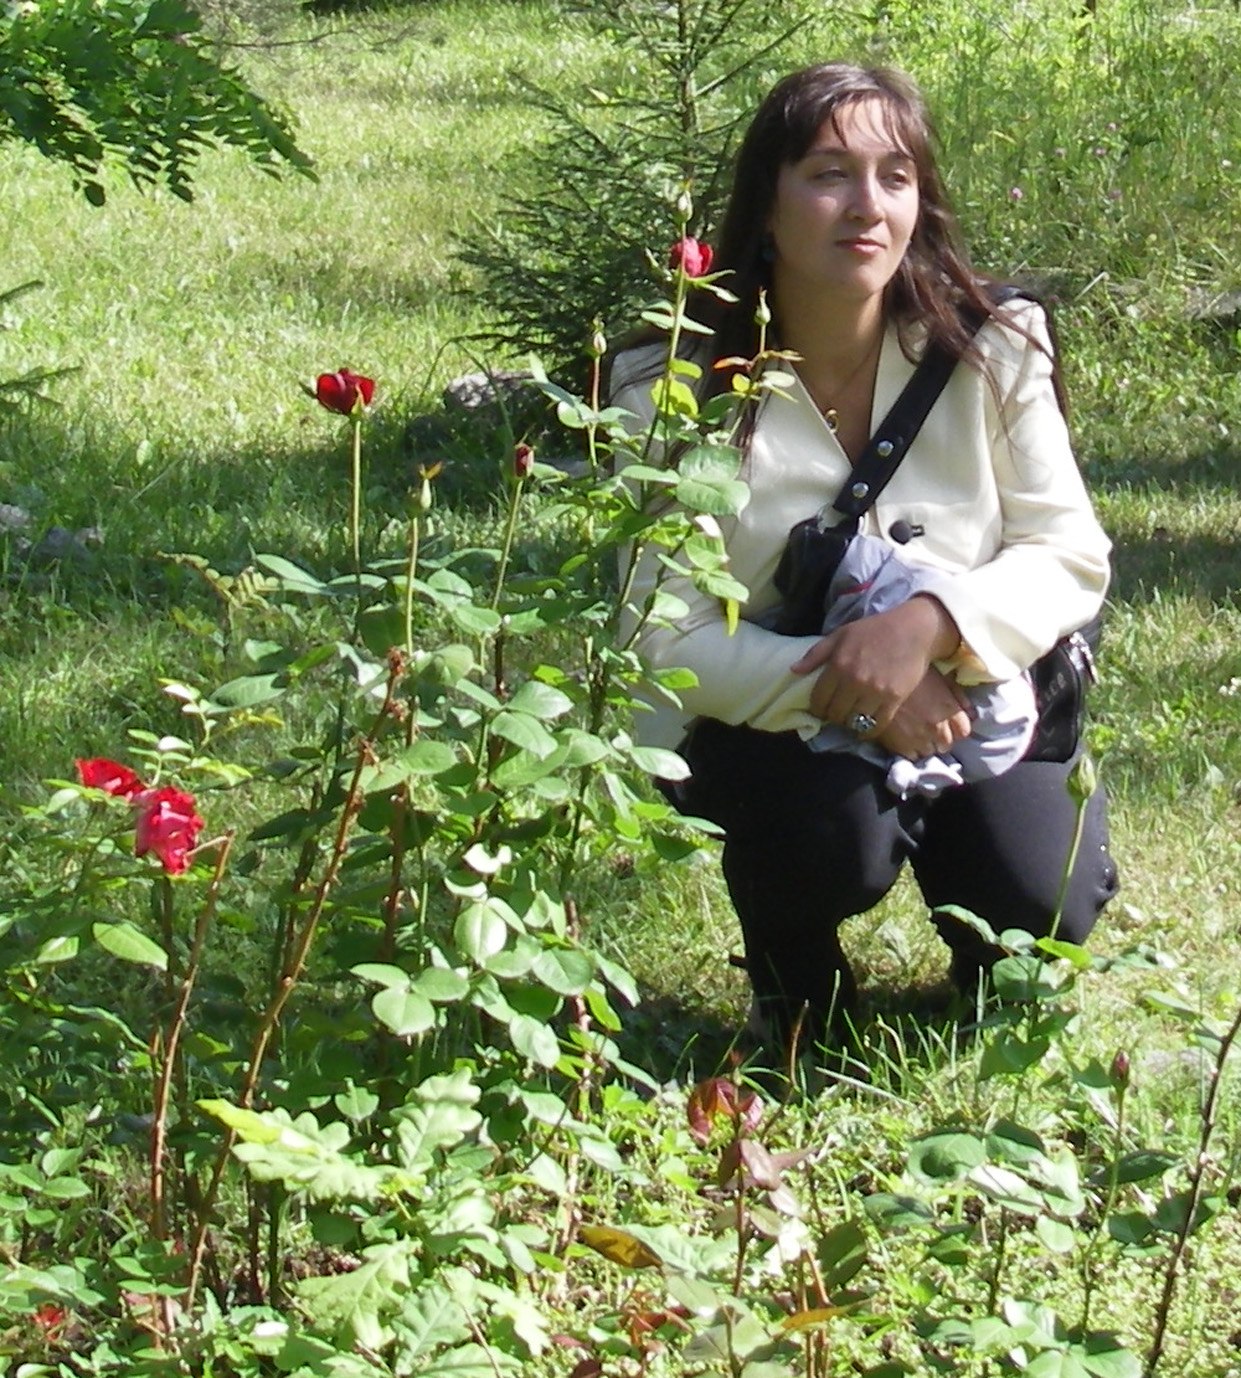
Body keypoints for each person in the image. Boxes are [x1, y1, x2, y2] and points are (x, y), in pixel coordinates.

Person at [609, 62, 1120, 1058]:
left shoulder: (992, 344)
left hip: (973, 690)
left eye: (894, 176)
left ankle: (989, 964)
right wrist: (858, 688)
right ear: (765, 203)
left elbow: (1068, 553)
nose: (865, 206)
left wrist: (927, 628)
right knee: (825, 844)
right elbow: (658, 636)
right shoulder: (668, 382)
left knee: (1038, 898)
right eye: (827, 174)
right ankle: (793, 978)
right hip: (773, 724)